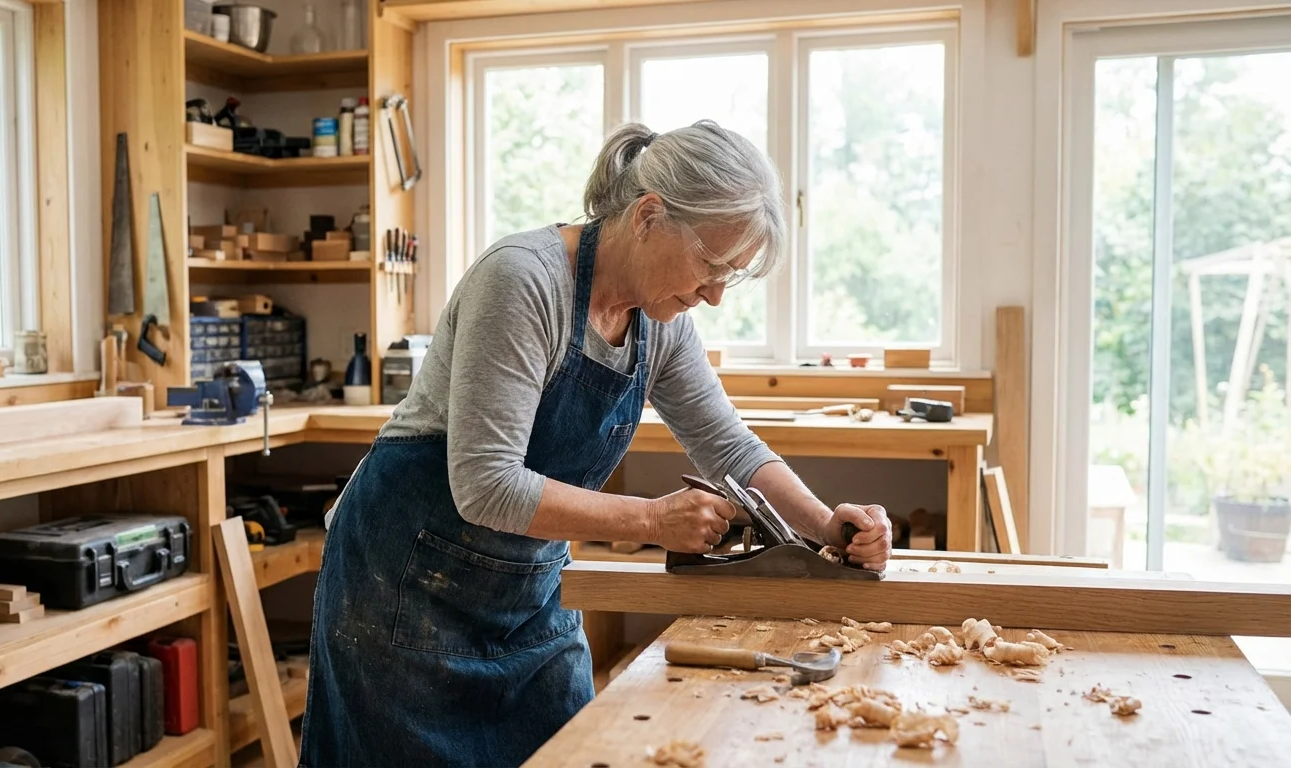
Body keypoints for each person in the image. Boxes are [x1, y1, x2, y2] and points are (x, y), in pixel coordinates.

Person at [299, 120, 893, 767]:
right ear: (648, 217)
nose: (716, 296)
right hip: (403, 590)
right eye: (711, 265)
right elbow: (486, 484)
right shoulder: (523, 282)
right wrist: (649, 519)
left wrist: (827, 526)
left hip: (526, 593)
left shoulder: (660, 322)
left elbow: (729, 446)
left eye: (734, 277)